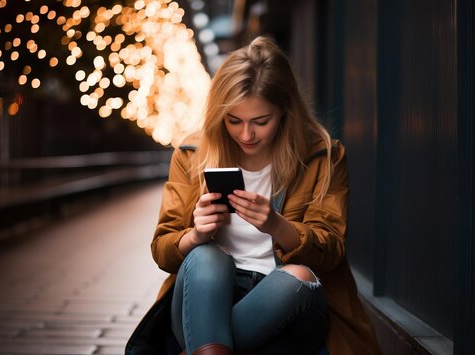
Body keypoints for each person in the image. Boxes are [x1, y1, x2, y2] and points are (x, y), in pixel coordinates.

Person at [126, 36, 382, 355]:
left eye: (261, 122)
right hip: (206, 298)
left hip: (291, 307)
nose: (246, 135)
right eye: (234, 121)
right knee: (207, 256)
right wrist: (196, 235)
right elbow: (162, 249)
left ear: (285, 111)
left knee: (297, 277)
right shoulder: (192, 153)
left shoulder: (323, 155)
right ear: (220, 114)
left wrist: (277, 225)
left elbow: (331, 251)